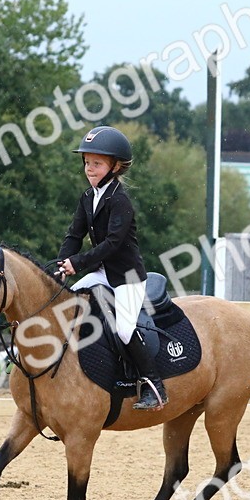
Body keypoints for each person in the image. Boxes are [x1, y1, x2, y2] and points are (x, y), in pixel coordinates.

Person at [55, 125, 167, 411]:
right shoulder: (87, 197)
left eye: (97, 163)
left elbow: (113, 244)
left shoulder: (120, 200)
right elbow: (73, 235)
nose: (90, 169)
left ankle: (154, 385)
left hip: (127, 277)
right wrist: (60, 266)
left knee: (125, 329)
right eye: (87, 163)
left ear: (115, 166)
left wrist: (77, 263)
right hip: (103, 272)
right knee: (64, 302)